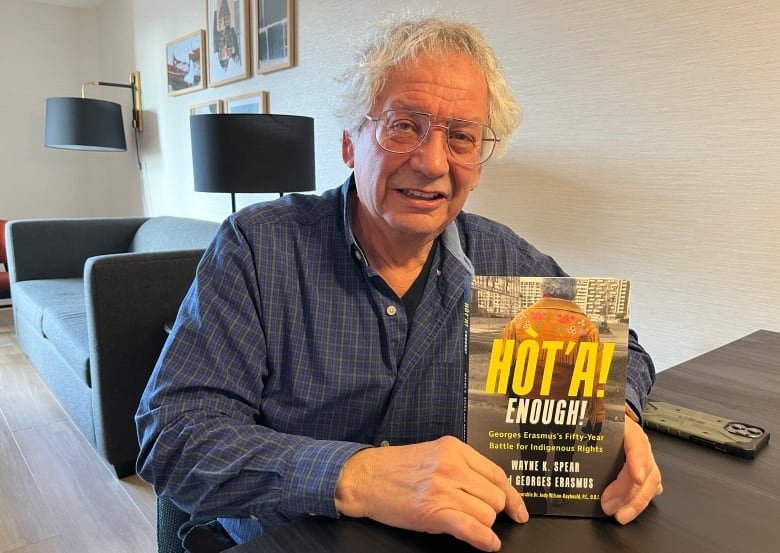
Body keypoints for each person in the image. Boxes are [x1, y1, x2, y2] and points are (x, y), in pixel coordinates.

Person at [136, 13, 662, 553]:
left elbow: (630, 351)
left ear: (478, 165)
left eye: (461, 137)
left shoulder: (504, 259)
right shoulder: (258, 247)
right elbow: (175, 437)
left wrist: (614, 415)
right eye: (404, 126)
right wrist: (356, 476)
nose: (433, 162)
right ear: (350, 143)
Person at [498, 277, 607, 514]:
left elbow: (504, 362)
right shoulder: (585, 326)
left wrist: (510, 397)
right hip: (567, 402)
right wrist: (596, 414)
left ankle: (533, 503)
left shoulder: (521, 320)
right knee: (564, 446)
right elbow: (594, 375)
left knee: (531, 449)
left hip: (530, 401)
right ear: (572, 294)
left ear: (543, 291)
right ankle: (558, 490)